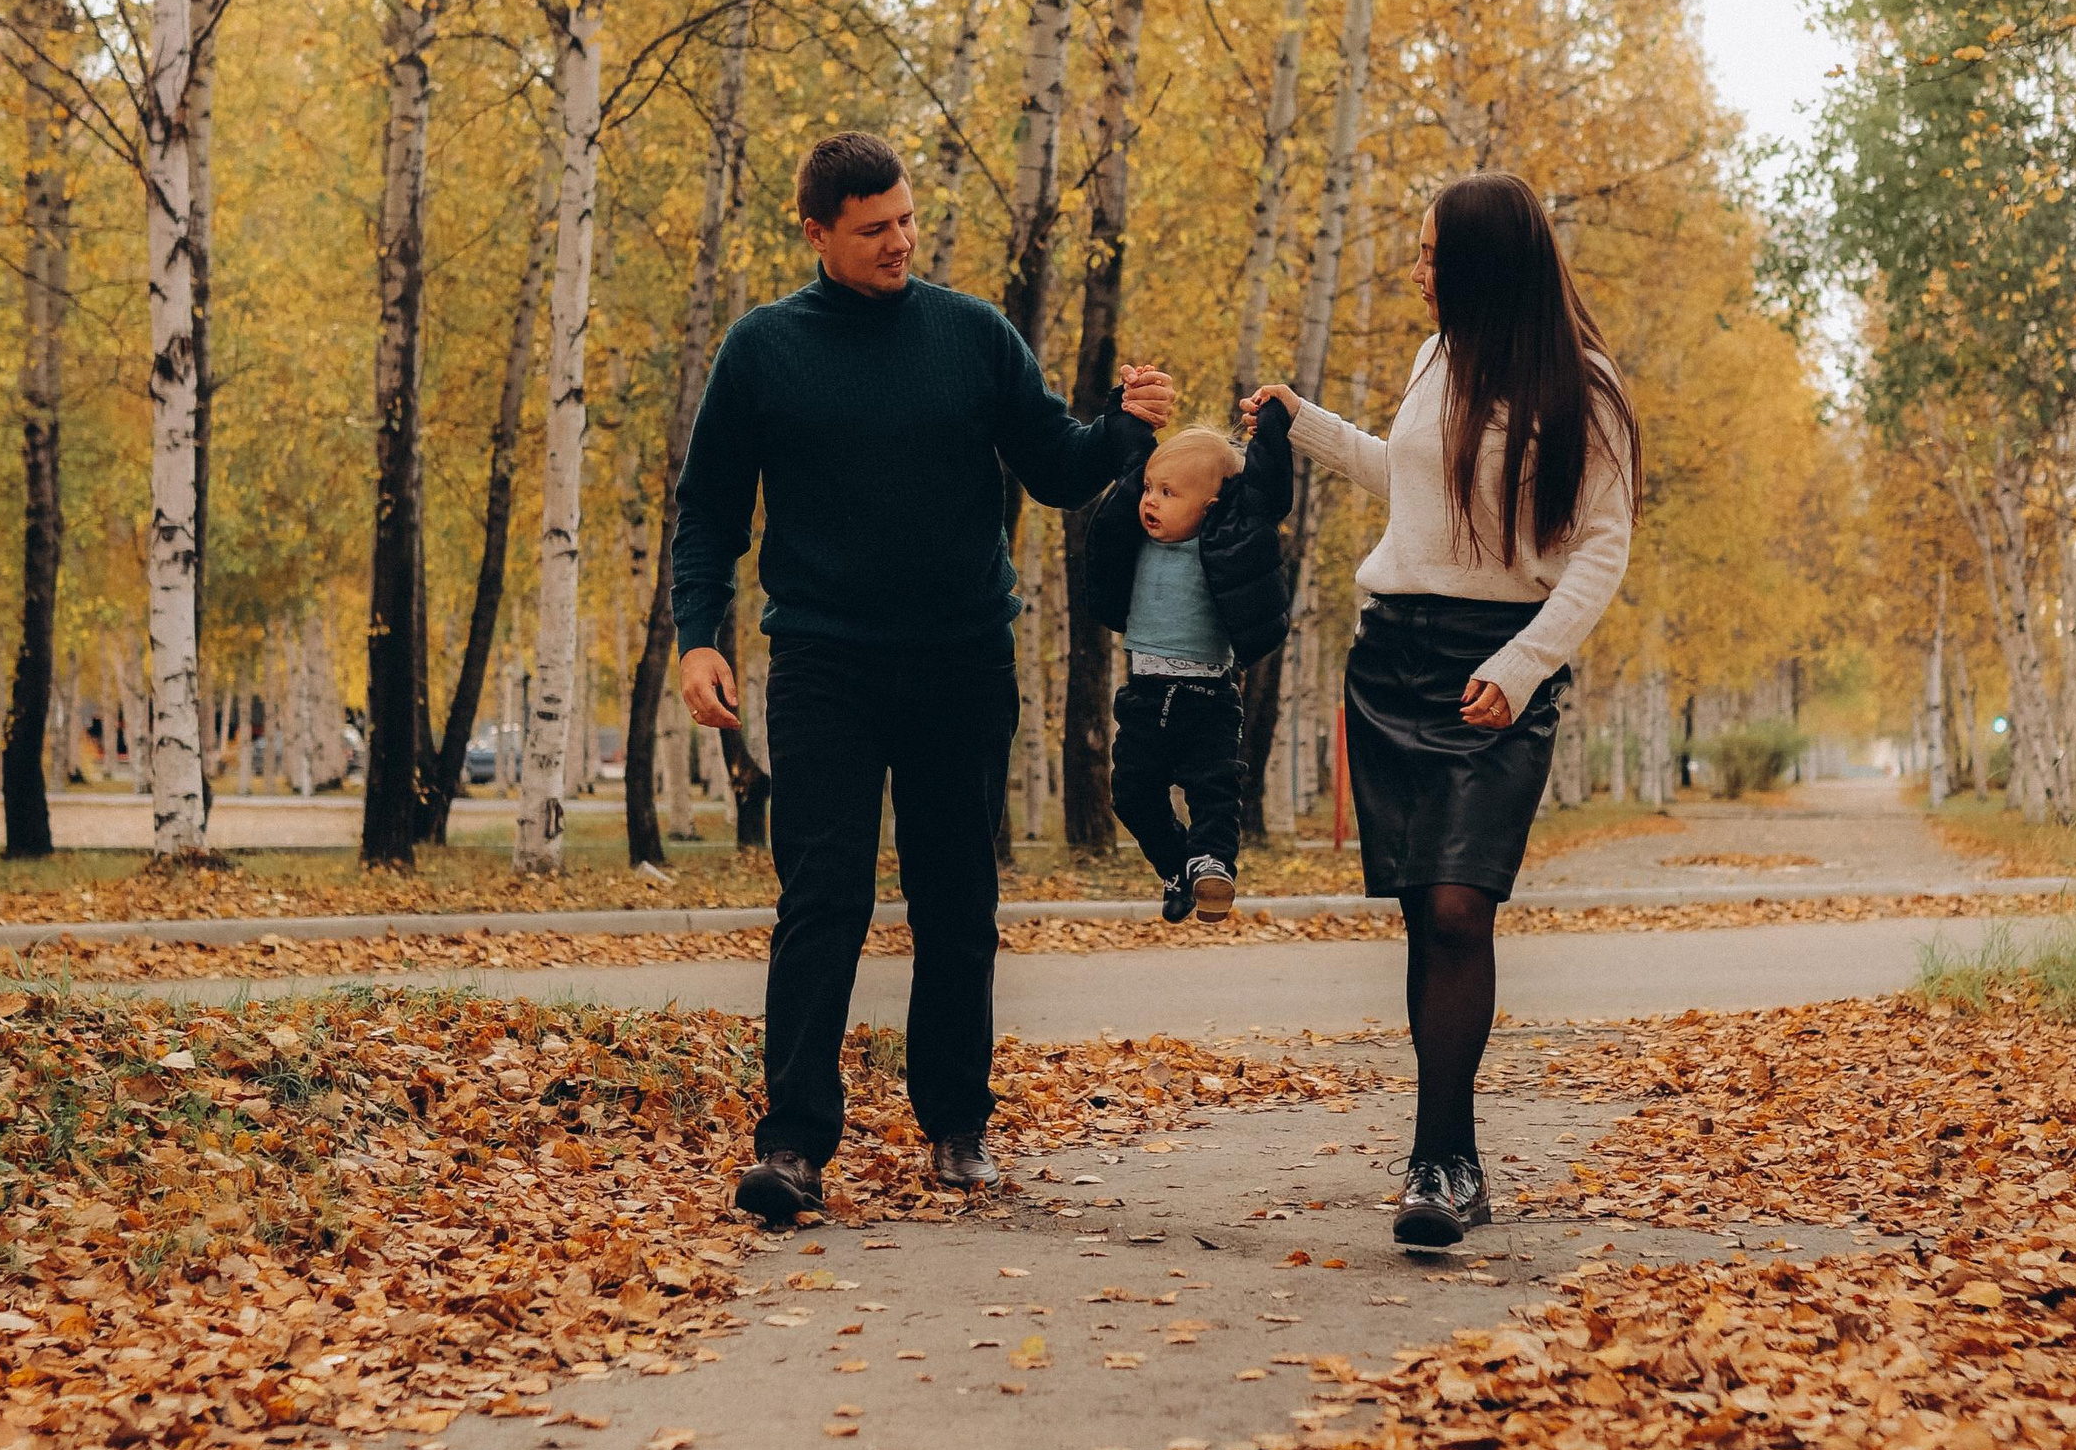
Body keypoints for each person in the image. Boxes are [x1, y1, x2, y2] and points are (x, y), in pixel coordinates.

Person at [673, 130, 1175, 1223]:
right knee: (822, 897)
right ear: (816, 232)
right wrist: (698, 633)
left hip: (960, 657)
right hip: (822, 661)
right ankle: (794, 1147)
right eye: (874, 228)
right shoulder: (762, 349)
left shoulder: (971, 334)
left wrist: (1124, 433)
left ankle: (958, 1129)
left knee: (958, 899)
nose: (900, 239)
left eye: (906, 219)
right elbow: (708, 509)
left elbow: (1053, 466)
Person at [1247, 173, 1640, 1249]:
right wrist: (1306, 426)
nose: (1414, 271)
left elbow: (1600, 546)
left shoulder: (1584, 389)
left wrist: (1522, 666)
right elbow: (1411, 483)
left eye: (1427, 256)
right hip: (1394, 661)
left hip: (1493, 672)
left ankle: (1441, 1156)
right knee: (1427, 911)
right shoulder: (1434, 359)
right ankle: (1445, 1156)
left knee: (1464, 906)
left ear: (1479, 265)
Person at [1083, 405, 1294, 921]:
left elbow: (1267, 495)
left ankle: (1213, 865)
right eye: (1150, 489)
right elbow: (1132, 462)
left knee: (1214, 788)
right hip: (1144, 695)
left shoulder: (1228, 541)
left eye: (1169, 493)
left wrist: (1269, 429)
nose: (1150, 501)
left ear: (1213, 505)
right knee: (1131, 794)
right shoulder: (1133, 541)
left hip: (1208, 698)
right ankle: (1177, 867)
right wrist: (1131, 411)